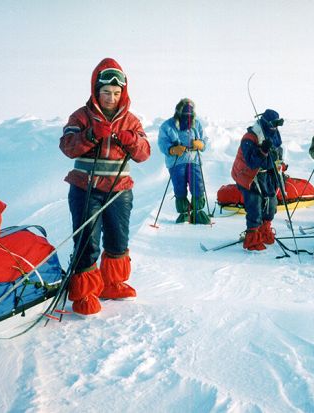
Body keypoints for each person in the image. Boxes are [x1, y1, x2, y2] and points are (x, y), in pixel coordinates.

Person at [59, 58, 151, 315]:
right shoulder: (80, 116)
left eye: (116, 93)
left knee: (118, 238)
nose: (111, 98)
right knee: (87, 241)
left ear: (123, 93)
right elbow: (67, 146)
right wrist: (89, 135)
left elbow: (144, 153)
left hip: (119, 190)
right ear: (96, 91)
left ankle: (112, 283)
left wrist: (131, 140)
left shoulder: (131, 121)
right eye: (106, 93)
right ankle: (84, 292)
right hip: (85, 188)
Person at [231, 109, 285, 251]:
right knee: (255, 205)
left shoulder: (275, 135)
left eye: (277, 124)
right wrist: (262, 151)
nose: (275, 127)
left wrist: (280, 165)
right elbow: (251, 162)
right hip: (248, 175)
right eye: (273, 124)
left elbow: (277, 154)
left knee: (271, 203)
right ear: (265, 122)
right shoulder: (249, 137)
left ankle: (264, 230)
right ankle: (252, 238)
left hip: (267, 174)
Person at [157, 98, 210, 224]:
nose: (187, 118)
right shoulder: (168, 125)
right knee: (179, 186)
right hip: (176, 161)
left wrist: (201, 144)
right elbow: (162, 142)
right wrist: (173, 150)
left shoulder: (196, 124)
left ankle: (198, 212)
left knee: (197, 185)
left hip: (194, 159)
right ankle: (184, 213)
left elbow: (205, 140)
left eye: (190, 115)